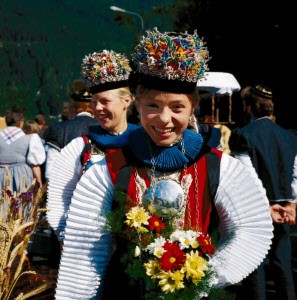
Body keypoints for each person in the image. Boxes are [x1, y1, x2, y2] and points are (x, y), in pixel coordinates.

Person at [53, 28, 274, 299]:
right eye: (152, 106)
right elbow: (84, 253)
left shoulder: (220, 167)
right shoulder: (108, 170)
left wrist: (199, 277)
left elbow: (250, 229)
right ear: (138, 106)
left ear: (193, 108)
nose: (164, 119)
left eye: (177, 107)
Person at [46, 49, 139, 243]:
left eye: (105, 101)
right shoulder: (80, 147)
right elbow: (59, 199)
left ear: (126, 101)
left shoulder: (144, 142)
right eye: (94, 102)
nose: (97, 109)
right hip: (90, 248)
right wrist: (67, 238)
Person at [229, 84, 297, 300]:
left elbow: (246, 176)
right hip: (284, 210)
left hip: (256, 210)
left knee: (255, 264)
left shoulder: (242, 135)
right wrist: (292, 205)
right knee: (283, 264)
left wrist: (264, 206)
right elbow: (296, 172)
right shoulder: (289, 136)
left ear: (249, 107)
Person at [44, 80, 99, 180]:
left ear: (72, 108)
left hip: (65, 188)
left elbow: (50, 172)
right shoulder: (104, 128)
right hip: (97, 189)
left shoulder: (58, 129)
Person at [0, 108, 45, 191]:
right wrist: (39, 182)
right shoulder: (31, 138)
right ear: (21, 123)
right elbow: (35, 165)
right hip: (21, 178)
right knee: (21, 202)